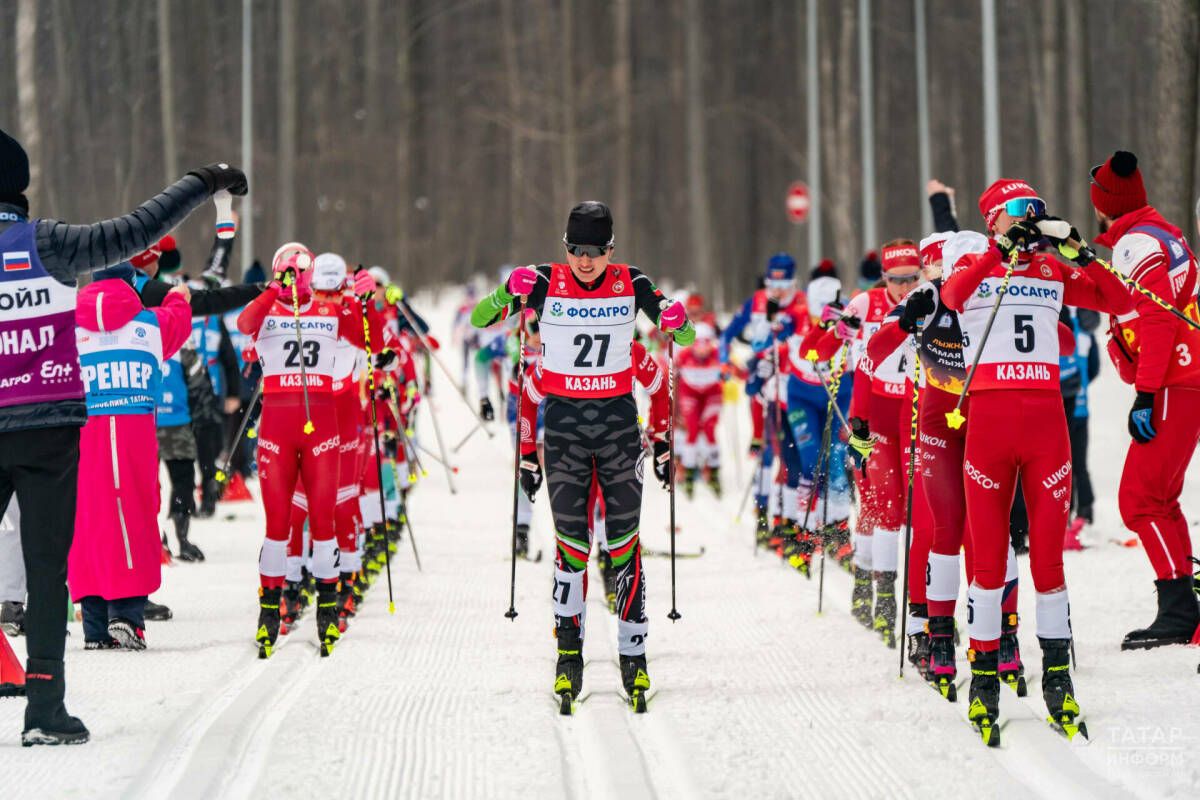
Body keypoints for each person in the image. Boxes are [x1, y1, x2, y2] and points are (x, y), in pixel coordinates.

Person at [0, 126, 246, 745]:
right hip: (50, 429)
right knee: (48, 568)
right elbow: (138, 229)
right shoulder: (47, 243)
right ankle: (45, 708)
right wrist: (205, 183)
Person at [470, 201, 694, 710]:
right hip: (566, 433)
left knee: (624, 546)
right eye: (575, 250)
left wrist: (679, 322)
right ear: (564, 246)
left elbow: (684, 336)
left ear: (610, 248)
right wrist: (507, 291)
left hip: (617, 431)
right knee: (570, 549)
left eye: (594, 251)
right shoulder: (545, 283)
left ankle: (633, 657)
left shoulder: (632, 283)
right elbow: (483, 319)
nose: (584, 260)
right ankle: (568, 656)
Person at [940, 178, 1132, 745]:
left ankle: (1056, 679)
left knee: (1048, 560)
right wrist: (995, 255)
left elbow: (1117, 300)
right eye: (1020, 215)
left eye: (1037, 214)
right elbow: (950, 299)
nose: (1029, 226)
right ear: (995, 219)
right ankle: (983, 680)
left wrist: (1077, 249)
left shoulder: (1051, 271)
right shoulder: (975, 263)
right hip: (990, 431)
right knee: (989, 562)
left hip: (1047, 426)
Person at [236, 243, 376, 658]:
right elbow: (246, 324)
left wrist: (362, 300)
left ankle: (328, 610)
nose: (294, 280)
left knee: (324, 520)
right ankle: (268, 613)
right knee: (277, 525)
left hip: (322, 431)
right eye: (288, 272)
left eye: (300, 273)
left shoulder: (329, 311)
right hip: (277, 430)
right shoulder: (267, 311)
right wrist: (271, 292)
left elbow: (370, 340)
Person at [1088, 151, 1200, 650]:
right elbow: (1121, 301)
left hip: (1176, 380)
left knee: (1138, 501)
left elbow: (1156, 321)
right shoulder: (1159, 233)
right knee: (1160, 499)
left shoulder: (1137, 244)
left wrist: (1146, 394)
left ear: (1104, 204)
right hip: (1182, 377)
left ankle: (1177, 611)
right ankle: (1184, 605)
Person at [69, 264, 192, 650]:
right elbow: (181, 310)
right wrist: (168, 292)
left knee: (86, 520)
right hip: (134, 439)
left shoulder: (67, 329)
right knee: (134, 518)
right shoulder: (150, 327)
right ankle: (127, 615)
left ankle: (93, 624)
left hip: (82, 438)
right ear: (130, 284)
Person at [675, 322, 723, 498]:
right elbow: (673, 377)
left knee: (709, 429)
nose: (702, 349)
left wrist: (730, 374)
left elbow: (734, 370)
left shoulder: (718, 354)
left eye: (706, 343)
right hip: (690, 394)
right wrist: (675, 408)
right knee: (693, 429)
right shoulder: (684, 355)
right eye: (698, 344)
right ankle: (688, 472)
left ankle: (714, 470)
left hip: (711, 394)